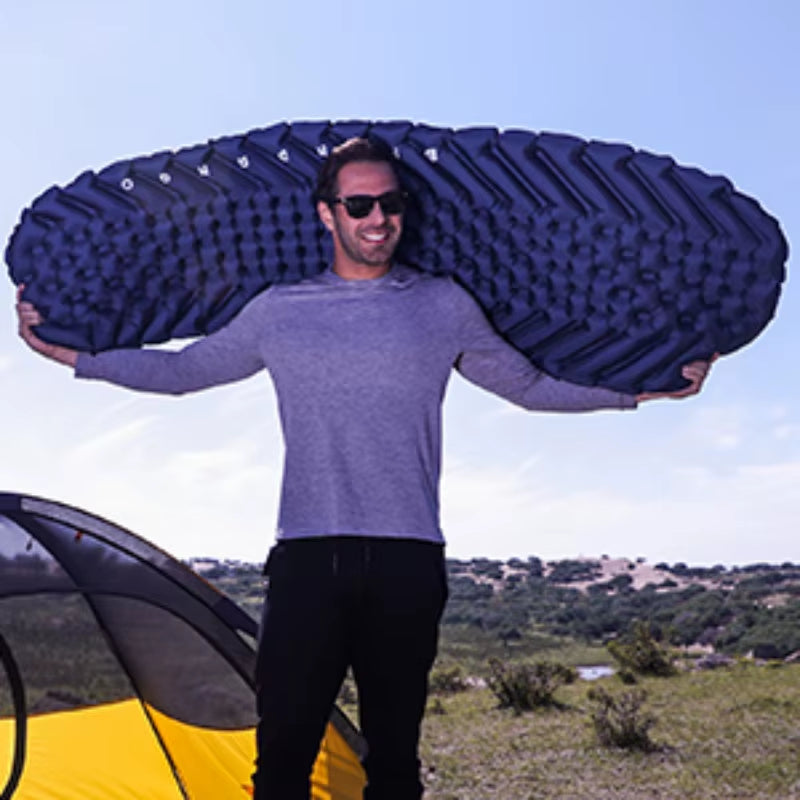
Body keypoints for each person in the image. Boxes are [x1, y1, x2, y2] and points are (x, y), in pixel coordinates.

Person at [16, 137, 714, 799]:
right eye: (359, 205)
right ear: (327, 214)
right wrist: (73, 357)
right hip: (307, 559)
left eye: (391, 203)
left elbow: (527, 386)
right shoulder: (279, 311)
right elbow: (183, 371)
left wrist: (638, 390)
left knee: (395, 762)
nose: (378, 219)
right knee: (282, 756)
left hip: (408, 563)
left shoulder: (443, 304)